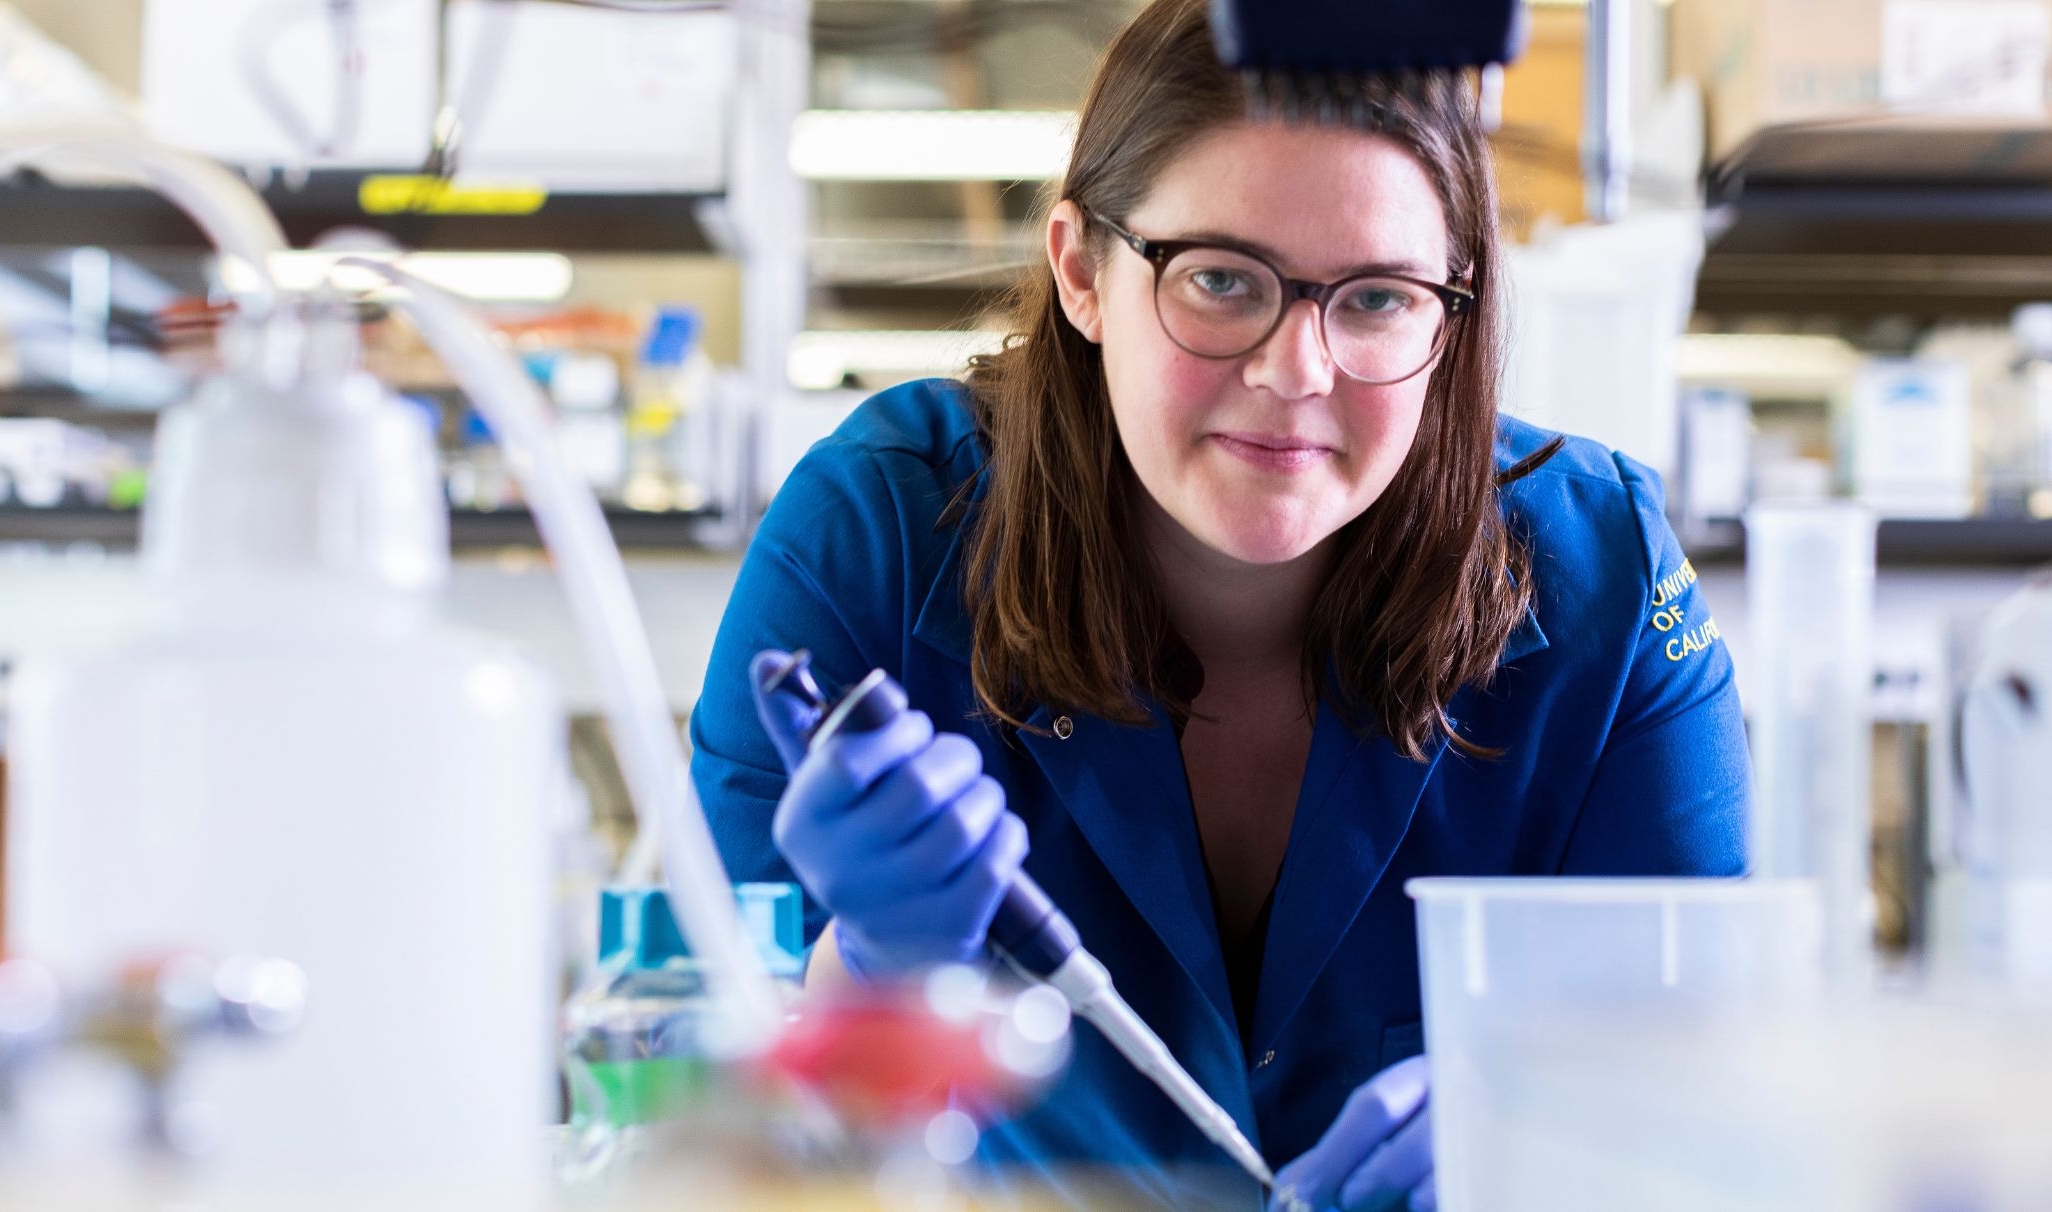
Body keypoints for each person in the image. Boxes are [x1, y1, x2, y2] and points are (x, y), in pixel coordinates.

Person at [690, 0, 1750, 1207]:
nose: (1296, 371)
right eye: (1222, 281)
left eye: (1377, 298)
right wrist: (864, 973)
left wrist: (1549, 1140)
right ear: (1083, 271)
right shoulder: (877, 534)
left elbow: (1717, 1096)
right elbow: (683, 1136)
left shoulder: (1601, 577)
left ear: (1454, 313)